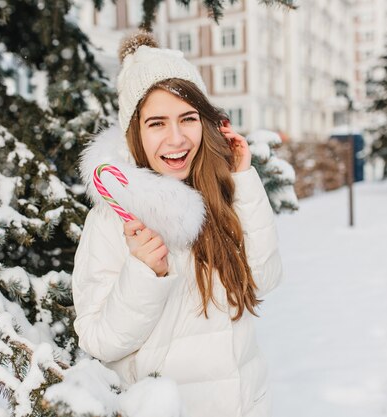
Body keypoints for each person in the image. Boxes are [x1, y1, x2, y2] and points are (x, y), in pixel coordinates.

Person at [72, 32, 283, 417]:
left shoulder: (225, 195)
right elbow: (101, 341)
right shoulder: (111, 219)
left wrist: (244, 179)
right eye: (157, 123)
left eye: (188, 118)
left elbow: (263, 279)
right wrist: (142, 273)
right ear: (134, 131)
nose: (176, 138)